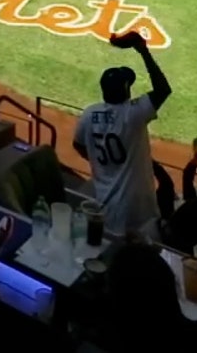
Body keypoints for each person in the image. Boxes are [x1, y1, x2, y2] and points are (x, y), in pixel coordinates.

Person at [73, 32, 172, 241]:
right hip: (138, 213)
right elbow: (163, 89)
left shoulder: (89, 114)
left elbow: (78, 145)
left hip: (106, 210)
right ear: (126, 89)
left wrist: (102, 164)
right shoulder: (133, 113)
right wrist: (143, 50)